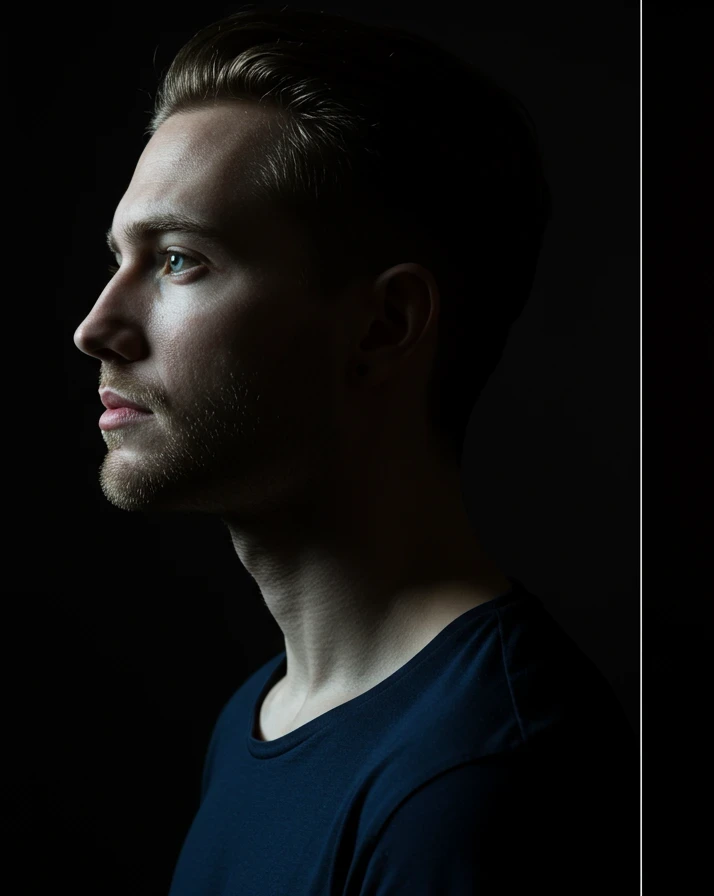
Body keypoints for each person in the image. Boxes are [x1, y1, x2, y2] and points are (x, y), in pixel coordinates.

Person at [74, 9, 636, 894]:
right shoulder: (258, 719)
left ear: (384, 326)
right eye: (119, 258)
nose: (96, 327)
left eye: (179, 261)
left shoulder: (477, 783)